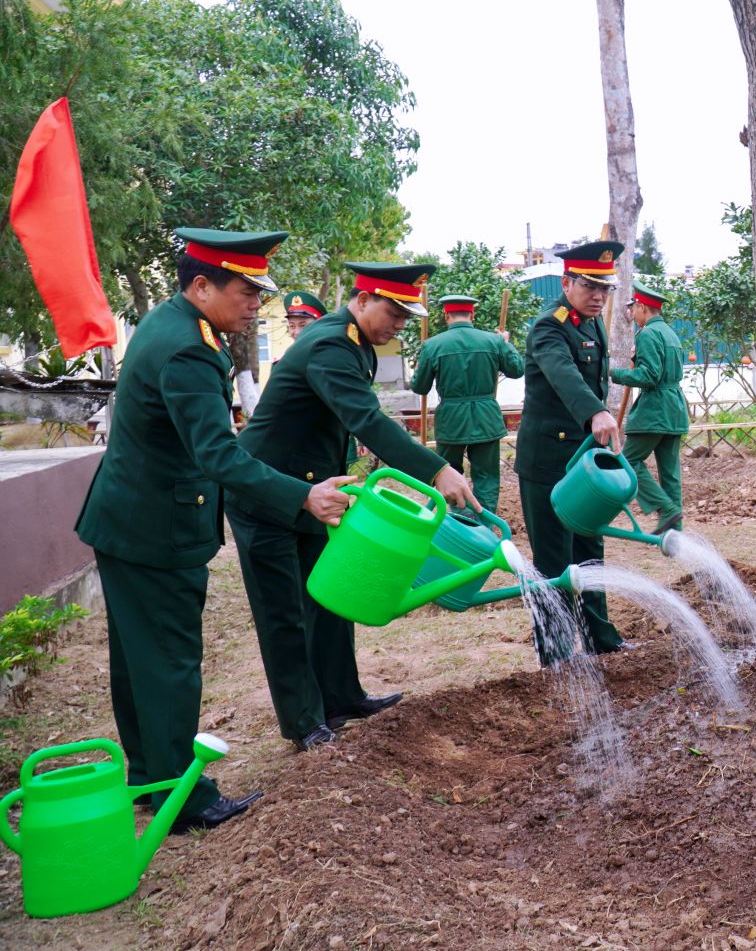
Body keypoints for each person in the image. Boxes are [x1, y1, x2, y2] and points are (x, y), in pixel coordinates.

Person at [75, 229, 355, 831]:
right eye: (246, 291)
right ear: (202, 286)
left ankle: (151, 778)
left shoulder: (169, 324)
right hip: (156, 529)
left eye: (259, 292)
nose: (256, 303)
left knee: (138, 660)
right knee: (169, 663)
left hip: (127, 518)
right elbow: (218, 454)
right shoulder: (189, 349)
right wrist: (303, 495)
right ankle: (184, 799)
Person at [227, 262, 480, 752]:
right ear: (363, 300)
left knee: (332, 596)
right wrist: (435, 469)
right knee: (285, 612)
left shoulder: (356, 342)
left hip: (314, 491)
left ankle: (341, 698)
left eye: (406, 318)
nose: (399, 325)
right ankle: (304, 722)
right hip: (268, 492)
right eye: (394, 313)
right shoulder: (330, 343)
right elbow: (365, 418)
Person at [514, 240, 628, 657]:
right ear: (566, 283)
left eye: (605, 288)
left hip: (583, 462)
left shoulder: (592, 322)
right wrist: (596, 412)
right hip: (547, 461)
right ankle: (556, 653)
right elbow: (563, 373)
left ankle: (602, 640)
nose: (598, 296)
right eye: (589, 286)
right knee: (553, 562)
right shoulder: (549, 326)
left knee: (590, 550)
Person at [411, 293, 525, 515]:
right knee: (487, 477)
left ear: (446, 316)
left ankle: (458, 520)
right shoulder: (493, 341)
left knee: (447, 474)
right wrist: (506, 343)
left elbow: (420, 387)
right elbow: (517, 369)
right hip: (486, 418)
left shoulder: (432, 345)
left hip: (451, 420)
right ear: (472, 315)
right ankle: (484, 525)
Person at [611, 280, 690, 534]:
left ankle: (665, 509)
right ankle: (674, 533)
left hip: (655, 410)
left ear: (643, 307)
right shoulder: (670, 333)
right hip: (674, 408)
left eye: (633, 308)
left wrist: (615, 374)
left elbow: (649, 376)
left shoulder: (647, 334)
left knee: (628, 461)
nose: (632, 314)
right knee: (670, 473)